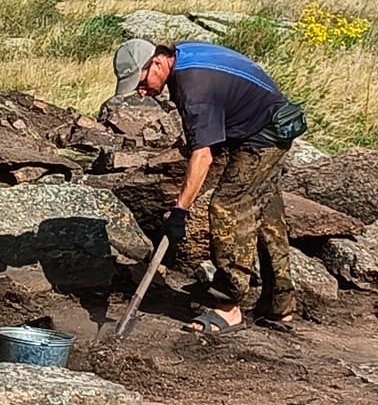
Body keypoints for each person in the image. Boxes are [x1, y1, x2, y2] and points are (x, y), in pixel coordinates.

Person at [115, 35, 302, 334]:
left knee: (229, 206)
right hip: (261, 123)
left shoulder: (194, 88)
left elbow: (203, 155)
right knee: (265, 214)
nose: (140, 92)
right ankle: (279, 308)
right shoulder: (186, 55)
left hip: (264, 133)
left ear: (158, 62)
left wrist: (179, 212)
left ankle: (228, 306)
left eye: (141, 82)